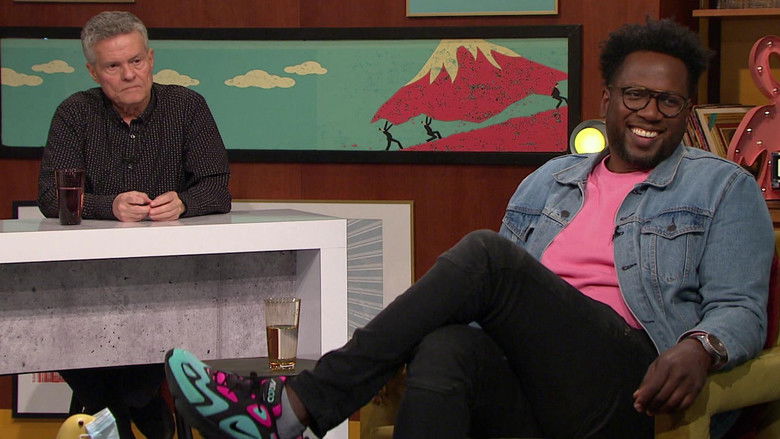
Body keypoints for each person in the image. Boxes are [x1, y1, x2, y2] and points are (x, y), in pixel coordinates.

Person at [163, 18, 774, 439]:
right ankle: (297, 411)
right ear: (608, 100)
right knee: (447, 347)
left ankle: (295, 406)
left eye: (670, 102)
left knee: (487, 257)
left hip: (628, 385)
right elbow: (494, 305)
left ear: (686, 113)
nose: (650, 113)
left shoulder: (722, 188)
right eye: (636, 96)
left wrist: (701, 346)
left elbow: (742, 309)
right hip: (530, 385)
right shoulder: (549, 181)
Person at [37, 11, 231, 439]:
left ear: (151, 58)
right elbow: (51, 198)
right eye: (113, 66)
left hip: (167, 282)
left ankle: (120, 416)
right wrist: (109, 206)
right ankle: (140, 413)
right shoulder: (74, 113)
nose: (129, 74)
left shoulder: (187, 107)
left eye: (136, 61)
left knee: (143, 341)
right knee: (68, 333)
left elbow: (217, 189)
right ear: (93, 71)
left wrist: (183, 203)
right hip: (90, 281)